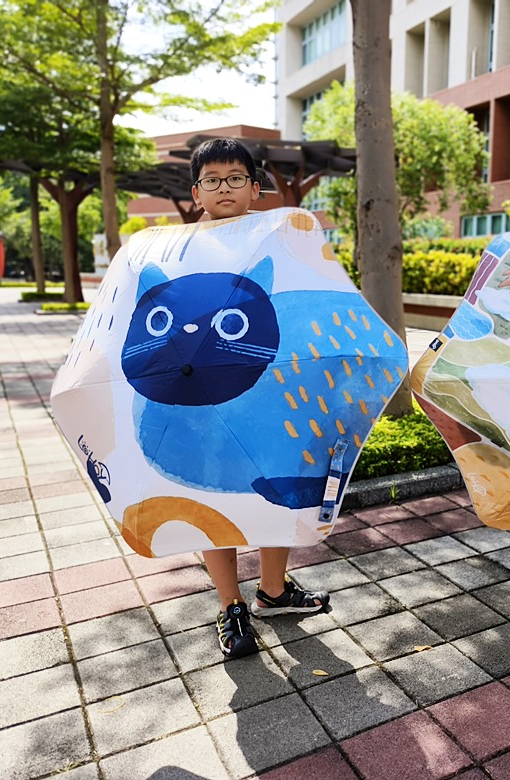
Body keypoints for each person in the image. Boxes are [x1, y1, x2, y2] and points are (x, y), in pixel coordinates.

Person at [189, 138, 330, 659]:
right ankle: (230, 607)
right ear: (196, 191)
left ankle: (273, 591)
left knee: (277, 488)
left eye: (234, 177)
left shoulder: (282, 240)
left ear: (254, 187)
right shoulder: (178, 250)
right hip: (202, 398)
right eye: (212, 179)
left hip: (273, 391)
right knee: (212, 500)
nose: (223, 187)